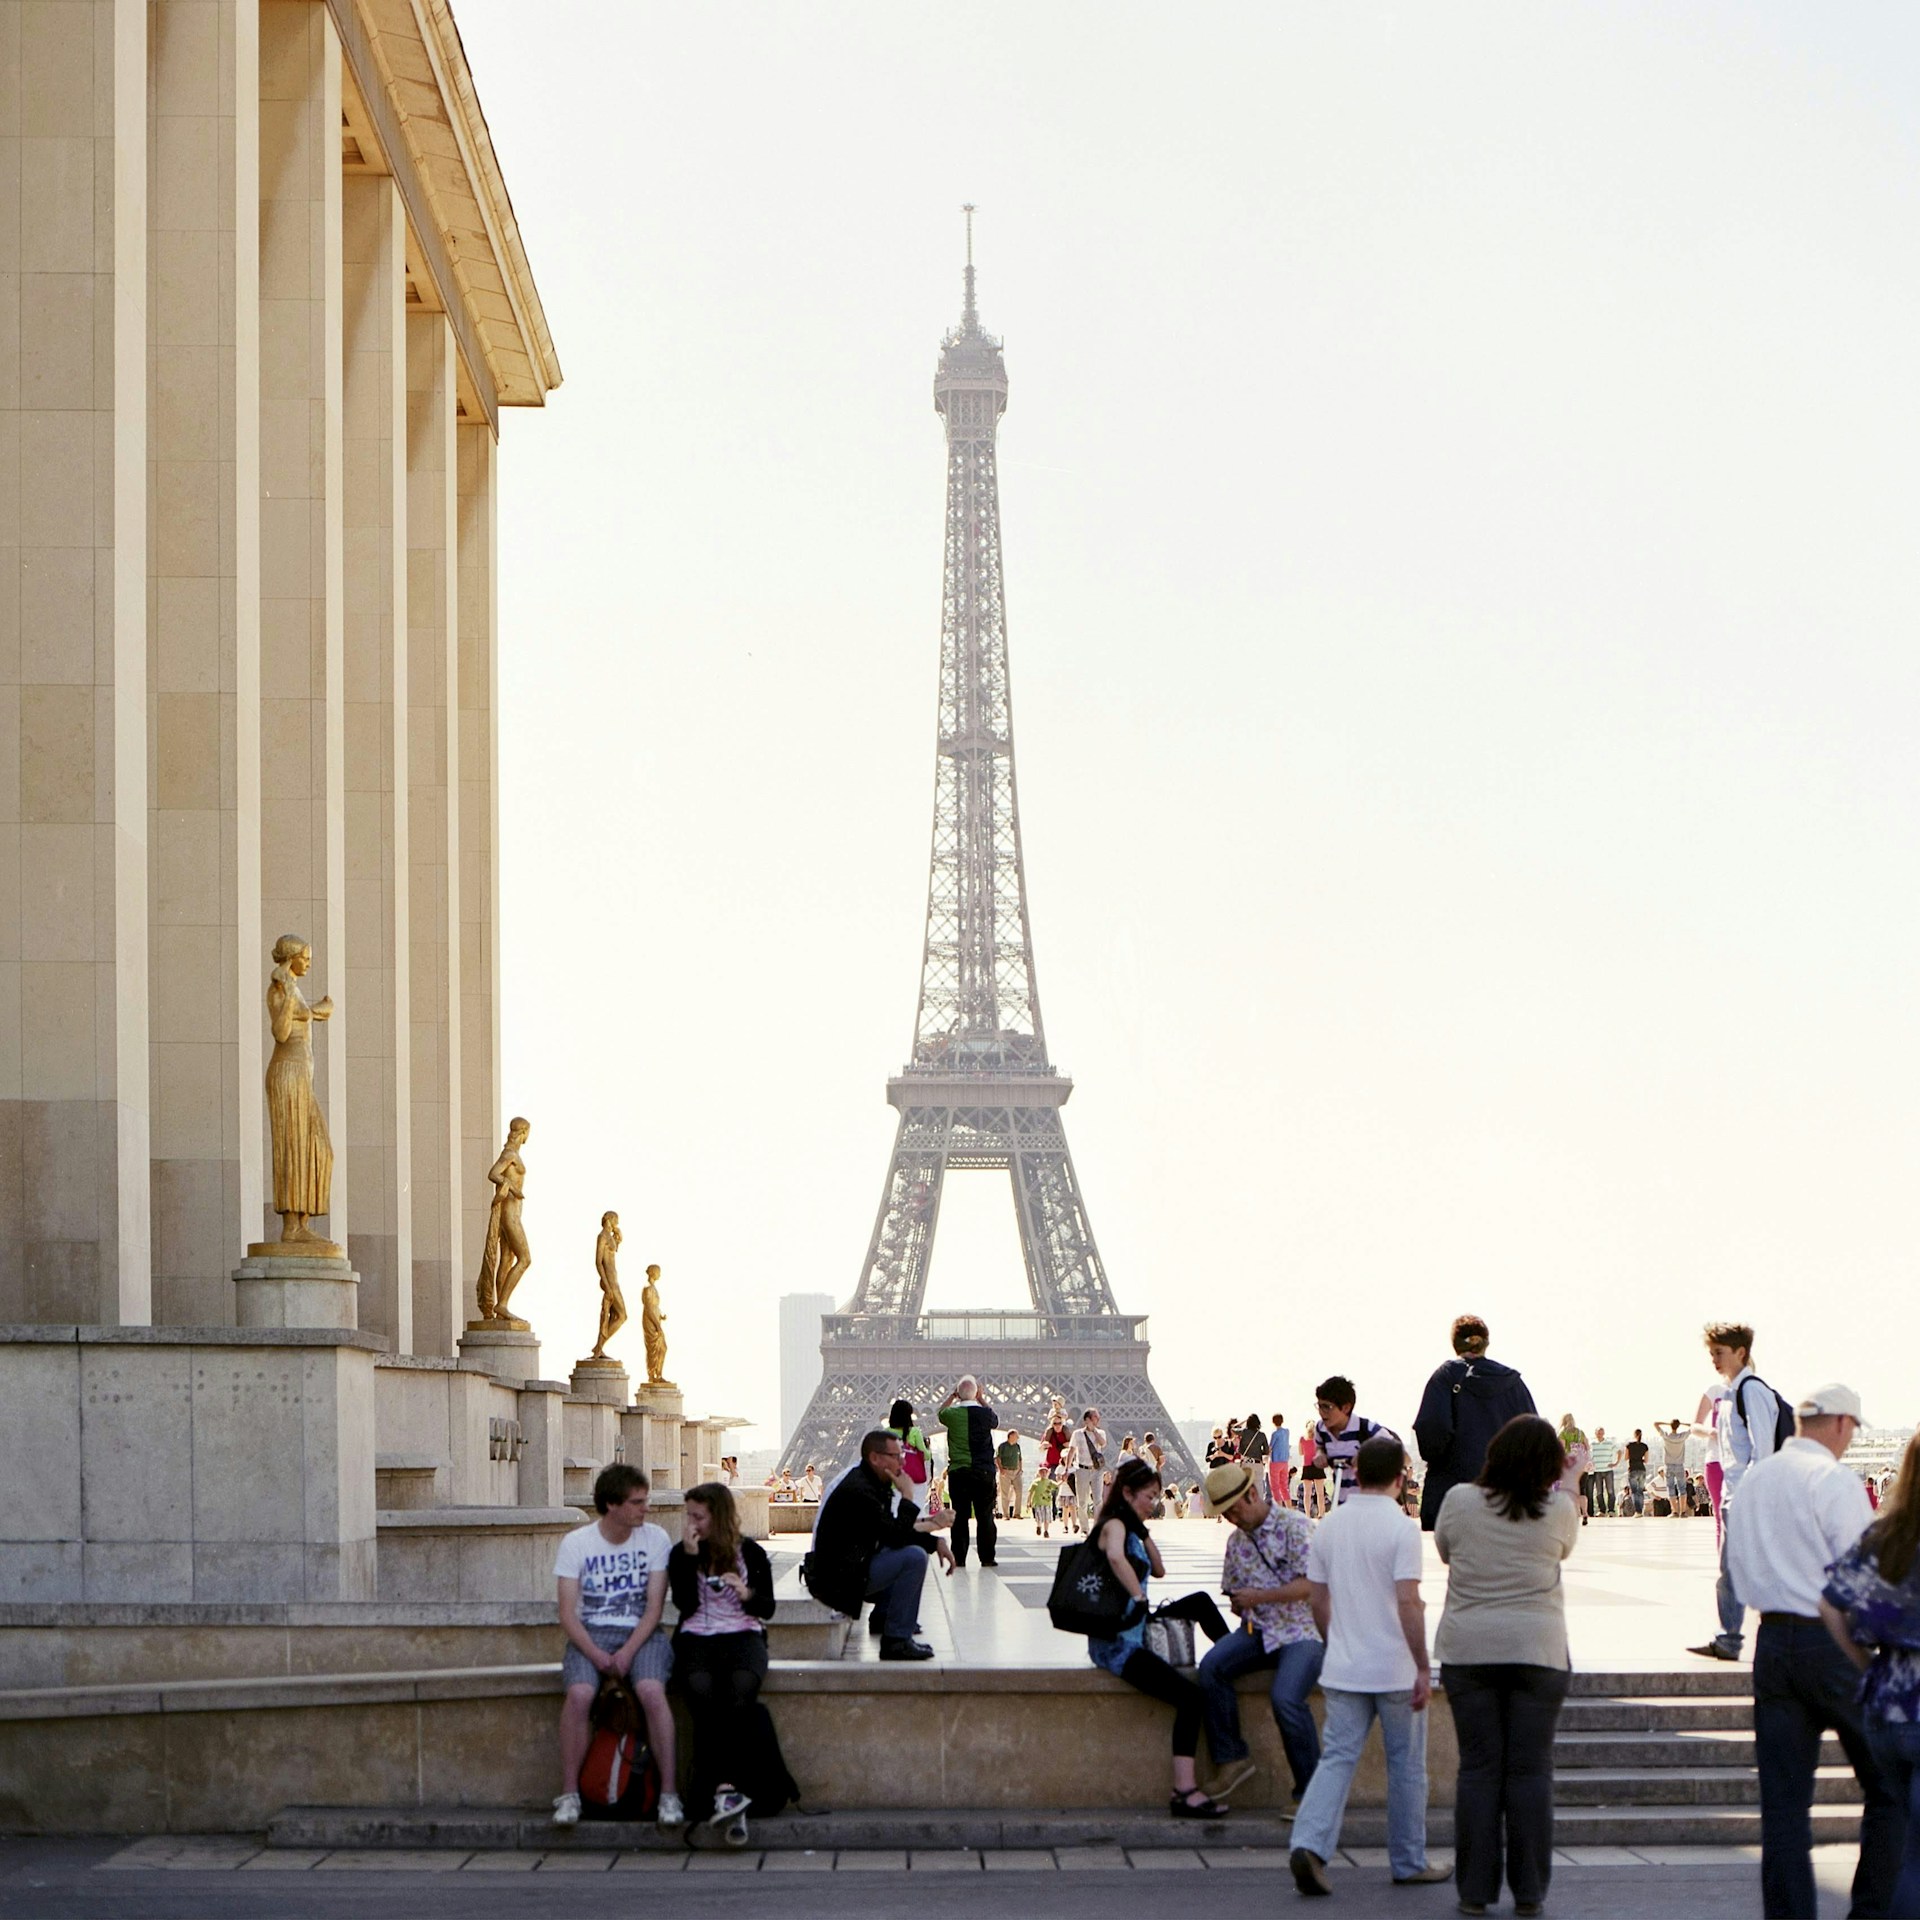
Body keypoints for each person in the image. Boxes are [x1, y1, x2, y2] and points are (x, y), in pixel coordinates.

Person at [1725, 1383, 1898, 1919]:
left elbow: (1735, 1567)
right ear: (1843, 1424)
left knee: (1783, 1812)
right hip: (1831, 1644)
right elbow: (1861, 1580)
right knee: (1889, 1788)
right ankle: (1870, 1911)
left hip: (1772, 1643)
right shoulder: (1833, 1479)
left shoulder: (1754, 1481)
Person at [1288, 1434, 1451, 1896]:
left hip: (1344, 1665)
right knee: (1406, 1767)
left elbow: (1318, 1598)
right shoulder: (1401, 1528)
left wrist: (1336, 1638)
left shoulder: (1330, 1525)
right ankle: (1408, 1860)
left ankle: (1309, 1844)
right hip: (1395, 1668)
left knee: (1337, 1759)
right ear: (1402, 1477)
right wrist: (1422, 1666)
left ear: (1355, 1472)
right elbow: (1409, 1603)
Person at [1435, 1415, 1580, 1918]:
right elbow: (1566, 1546)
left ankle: (1474, 1891)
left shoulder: (1458, 1500)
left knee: (1478, 1770)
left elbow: (1446, 1552)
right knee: (1530, 1771)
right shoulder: (1559, 1506)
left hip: (1469, 1651)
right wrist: (1575, 1481)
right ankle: (1530, 1892)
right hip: (1538, 1653)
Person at [1085, 1457, 1234, 1819]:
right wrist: (1138, 1597)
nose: (1152, 1503)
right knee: (1190, 1697)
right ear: (1126, 1492)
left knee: (1199, 1601)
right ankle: (1184, 1791)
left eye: (1155, 1496)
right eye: (1147, 1496)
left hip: (1135, 1624)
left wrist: (1145, 1530)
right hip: (1117, 1642)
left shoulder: (1131, 1525)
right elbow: (1117, 1558)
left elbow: (1161, 1569)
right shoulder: (1113, 1524)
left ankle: (1231, 1656)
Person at [1822, 1427, 1920, 1919]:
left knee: (1895, 1828)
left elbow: (1832, 1602)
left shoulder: (1886, 1536)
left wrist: (1867, 1662)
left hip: (1887, 1702)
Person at [552, 1464, 681, 1829]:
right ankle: (569, 1794)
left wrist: (625, 1653)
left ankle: (669, 1794)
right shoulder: (577, 1543)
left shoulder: (654, 1538)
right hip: (591, 1633)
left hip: (641, 1633)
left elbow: (653, 1608)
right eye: (637, 1502)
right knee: (578, 1695)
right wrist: (596, 1654)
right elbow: (567, 1613)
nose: (646, 1509)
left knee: (652, 1691)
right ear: (612, 1505)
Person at [1194, 1460, 1324, 1805]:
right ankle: (1232, 1757)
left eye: (1235, 1511)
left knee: (1286, 1698)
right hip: (1258, 1630)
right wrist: (1240, 1604)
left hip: (1301, 1630)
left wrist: (1262, 1597)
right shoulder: (1236, 1542)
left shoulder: (1296, 1526)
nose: (1233, 1520)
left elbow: (1311, 1584)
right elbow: (1234, 1590)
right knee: (1211, 1669)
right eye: (1226, 1515)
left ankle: (1310, 1793)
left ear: (1252, 1494)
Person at [667, 1481, 778, 1847]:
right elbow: (686, 1605)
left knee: (740, 1688)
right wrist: (688, 1555)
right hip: (698, 1633)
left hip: (742, 1632)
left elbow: (767, 1608)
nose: (692, 1522)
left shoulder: (750, 1552)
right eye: (689, 1516)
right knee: (700, 1690)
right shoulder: (681, 1553)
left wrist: (745, 1593)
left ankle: (716, 1789)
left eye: (698, 1516)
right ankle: (728, 1792)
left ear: (718, 1516)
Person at [804, 1429, 953, 1659]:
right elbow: (895, 1535)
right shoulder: (860, 1490)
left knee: (903, 1550)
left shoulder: (868, 1481)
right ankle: (896, 1641)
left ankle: (885, 1617)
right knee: (914, 1557)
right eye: (895, 1456)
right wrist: (907, 1496)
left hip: (845, 1569)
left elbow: (888, 1531)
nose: (902, 1461)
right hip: (837, 1580)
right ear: (875, 1457)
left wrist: (934, 1542)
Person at [1691, 1321, 1788, 1663]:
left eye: (1719, 1353)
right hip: (1737, 1495)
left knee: (1747, 1570)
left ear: (1740, 1353)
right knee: (1733, 1570)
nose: (1714, 1360)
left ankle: (1747, 1639)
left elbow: (1763, 1452)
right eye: (1712, 1353)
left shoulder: (1751, 1393)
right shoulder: (1730, 1395)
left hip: (1748, 1497)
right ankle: (1730, 1638)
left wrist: (1746, 1497)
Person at [1411, 1315, 1538, 1531]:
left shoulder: (1445, 1377)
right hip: (1507, 1497)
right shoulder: (1513, 1383)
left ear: (1455, 1343)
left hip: (1457, 1495)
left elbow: (1432, 1430)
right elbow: (1534, 1438)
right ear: (1485, 1343)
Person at [936, 1376, 1000, 1568]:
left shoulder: (951, 1415)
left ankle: (960, 1557)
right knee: (985, 1516)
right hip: (984, 1471)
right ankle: (987, 1558)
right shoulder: (986, 1414)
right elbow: (995, 1420)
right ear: (976, 1393)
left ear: (958, 1394)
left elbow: (940, 1412)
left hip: (959, 1472)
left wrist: (951, 1396)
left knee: (960, 1517)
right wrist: (981, 1398)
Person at [1312, 1376, 1396, 1510]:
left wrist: (1368, 1457)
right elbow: (1320, 1447)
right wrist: (1320, 1454)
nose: (1322, 1412)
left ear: (1345, 1408)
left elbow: (1400, 1455)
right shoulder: (1321, 1429)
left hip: (1369, 1506)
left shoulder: (1367, 1429)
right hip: (1341, 1505)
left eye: (1327, 1407)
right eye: (1319, 1406)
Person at [1071, 1407, 1109, 1531]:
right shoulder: (1077, 1434)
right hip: (1082, 1469)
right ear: (1087, 1419)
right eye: (1095, 1417)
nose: (1098, 1419)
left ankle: (1097, 1527)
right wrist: (1067, 1468)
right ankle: (1085, 1528)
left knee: (1098, 1500)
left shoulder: (1101, 1432)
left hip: (1096, 1469)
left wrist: (1094, 1431)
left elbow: (1103, 1443)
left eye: (1098, 1417)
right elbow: (1072, 1450)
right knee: (1082, 1501)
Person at [886, 1397, 932, 1496]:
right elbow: (925, 1456)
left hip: (892, 1482)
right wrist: (928, 1448)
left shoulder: (885, 1432)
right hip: (912, 1482)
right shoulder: (915, 1432)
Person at [1556, 1415, 1591, 1525]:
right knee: (1582, 1489)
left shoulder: (1563, 1434)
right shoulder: (1580, 1433)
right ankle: (1585, 1513)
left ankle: (1575, 1514)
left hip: (1569, 1465)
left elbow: (1561, 1450)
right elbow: (1588, 1447)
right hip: (1582, 1465)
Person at [1659, 1418, 1689, 1518]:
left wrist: (1667, 1423)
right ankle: (1683, 1512)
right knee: (1682, 1488)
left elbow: (1655, 1424)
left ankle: (1675, 1512)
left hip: (1668, 1465)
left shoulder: (1666, 1436)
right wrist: (1681, 1424)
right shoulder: (1682, 1436)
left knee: (1670, 1488)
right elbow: (1693, 1426)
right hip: (1680, 1465)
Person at [1587, 1427, 1618, 1518]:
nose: (1600, 1434)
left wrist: (1615, 1463)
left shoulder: (1609, 1443)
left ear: (1603, 1433)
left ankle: (1611, 1510)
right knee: (1599, 1492)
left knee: (1610, 1491)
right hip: (1597, 1471)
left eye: (1601, 1432)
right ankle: (1602, 1510)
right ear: (1595, 1433)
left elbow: (1619, 1451)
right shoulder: (1592, 1444)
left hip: (1608, 1470)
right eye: (1598, 1433)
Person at [1299, 1424, 1329, 1518]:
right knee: (1320, 1493)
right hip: (1317, 1465)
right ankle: (1321, 1513)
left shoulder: (1302, 1439)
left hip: (1307, 1466)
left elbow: (1301, 1453)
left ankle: (1307, 1514)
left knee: (1307, 1493)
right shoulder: (1319, 1440)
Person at [996, 1429, 1025, 1521]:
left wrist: (1020, 1469)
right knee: (1005, 1494)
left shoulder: (1017, 1446)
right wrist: (1001, 1469)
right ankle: (1006, 1514)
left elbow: (1020, 1459)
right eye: (1016, 1436)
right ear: (1011, 1436)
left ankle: (1017, 1513)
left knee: (1019, 1492)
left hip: (1016, 1472)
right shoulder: (1002, 1446)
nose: (1018, 1438)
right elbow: (998, 1458)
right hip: (1006, 1471)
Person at [1623, 1427, 1650, 1517]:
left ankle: (1637, 1511)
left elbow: (1626, 1458)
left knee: (1634, 1491)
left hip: (1633, 1469)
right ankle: (1640, 1510)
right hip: (1642, 1469)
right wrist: (1640, 1459)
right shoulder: (1644, 1446)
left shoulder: (1629, 1445)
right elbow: (1646, 1460)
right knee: (1640, 1491)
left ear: (1634, 1435)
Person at [1027, 1466, 1058, 1537]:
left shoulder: (1050, 1482)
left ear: (1047, 1473)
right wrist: (1029, 1502)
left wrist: (1062, 1480)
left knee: (1047, 1518)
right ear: (1039, 1473)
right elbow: (1030, 1492)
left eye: (1045, 1472)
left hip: (1047, 1503)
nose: (1043, 1474)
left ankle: (1046, 1531)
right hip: (1038, 1503)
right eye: (1041, 1472)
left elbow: (1056, 1486)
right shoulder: (1035, 1482)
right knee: (1039, 1517)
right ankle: (1039, 1526)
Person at [1270, 1412, 1293, 1508]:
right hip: (1285, 1462)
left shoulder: (1275, 1434)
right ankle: (1289, 1508)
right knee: (1284, 1487)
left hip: (1275, 1461)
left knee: (1275, 1487)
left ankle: (1279, 1509)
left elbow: (1270, 1447)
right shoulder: (1287, 1432)